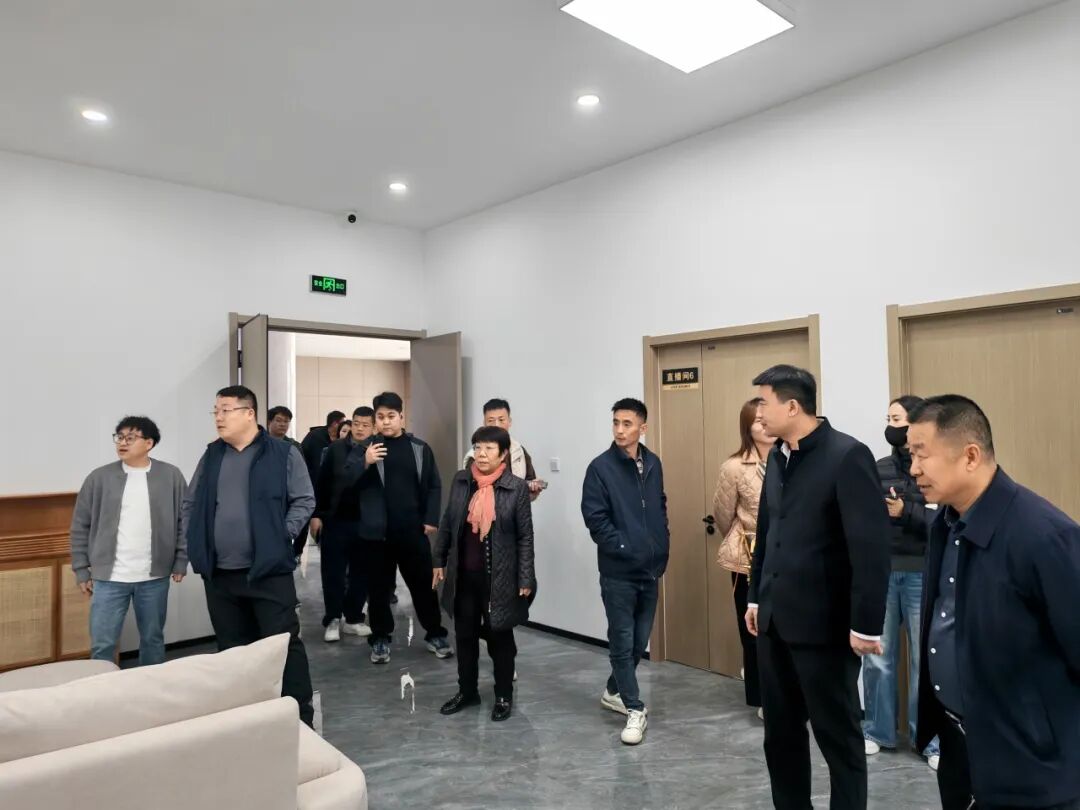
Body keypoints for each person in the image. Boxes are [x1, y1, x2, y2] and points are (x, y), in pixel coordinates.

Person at [908, 395, 1080, 810]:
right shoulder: (944, 524)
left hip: (1033, 764)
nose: (913, 468)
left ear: (970, 456)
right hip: (962, 746)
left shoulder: (1043, 536)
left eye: (921, 454)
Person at [745, 365, 890, 810]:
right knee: (780, 736)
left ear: (792, 406)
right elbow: (767, 533)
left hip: (826, 631)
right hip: (774, 624)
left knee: (838, 739)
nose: (757, 413)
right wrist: (755, 596)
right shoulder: (777, 457)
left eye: (764, 402)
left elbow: (870, 548)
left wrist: (865, 625)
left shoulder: (847, 456)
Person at [182, 385, 317, 727]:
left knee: (282, 646)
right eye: (215, 411)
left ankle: (299, 718)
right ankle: (247, 720)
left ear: (249, 413)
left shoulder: (283, 453)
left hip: (268, 571)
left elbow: (304, 499)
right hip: (221, 574)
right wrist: (194, 542)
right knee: (233, 651)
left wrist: (281, 535)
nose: (218, 417)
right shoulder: (212, 455)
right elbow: (191, 503)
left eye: (225, 410)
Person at [581, 397, 669, 746]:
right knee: (622, 638)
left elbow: (659, 505)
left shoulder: (653, 463)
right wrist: (624, 547)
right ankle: (634, 708)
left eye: (627, 424)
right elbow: (595, 518)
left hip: (650, 568)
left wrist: (661, 543)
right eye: (616, 423)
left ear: (642, 428)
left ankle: (613, 690)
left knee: (639, 640)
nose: (619, 430)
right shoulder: (600, 468)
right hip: (618, 570)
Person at [433, 426, 536, 721]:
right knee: (464, 636)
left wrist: (525, 577)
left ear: (503, 454)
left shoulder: (516, 488)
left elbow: (525, 537)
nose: (482, 454)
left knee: (499, 638)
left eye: (489, 448)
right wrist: (438, 558)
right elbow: (448, 522)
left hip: (499, 579)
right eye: (478, 447)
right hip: (464, 576)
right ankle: (467, 691)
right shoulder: (461, 480)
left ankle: (503, 695)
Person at [70, 416, 187, 666]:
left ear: (149, 443)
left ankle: (150, 687)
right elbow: (80, 526)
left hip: (154, 577)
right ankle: (102, 686)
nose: (122, 443)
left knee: (153, 639)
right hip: (109, 578)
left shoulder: (171, 476)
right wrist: (81, 569)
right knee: (102, 643)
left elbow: (184, 522)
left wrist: (180, 560)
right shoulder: (98, 478)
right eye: (119, 437)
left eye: (130, 438)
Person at [861, 395, 940, 769]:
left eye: (896, 418)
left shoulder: (936, 467)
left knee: (925, 659)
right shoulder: (878, 468)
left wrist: (905, 511)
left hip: (923, 572)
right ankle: (877, 731)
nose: (890, 426)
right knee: (879, 655)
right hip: (884, 570)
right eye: (888, 418)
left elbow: (942, 521)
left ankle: (929, 740)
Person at [352, 391, 452, 664]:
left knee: (424, 586)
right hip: (377, 535)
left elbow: (434, 485)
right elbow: (346, 482)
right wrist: (365, 462)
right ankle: (380, 638)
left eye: (391, 416)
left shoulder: (419, 448)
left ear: (401, 417)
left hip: (412, 531)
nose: (386, 422)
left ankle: (435, 633)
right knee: (378, 591)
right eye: (380, 417)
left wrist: (431, 518)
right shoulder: (365, 448)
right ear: (375, 419)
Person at [712, 397, 769, 717]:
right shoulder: (734, 467)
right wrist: (741, 537)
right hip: (747, 556)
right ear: (747, 427)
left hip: (785, 556)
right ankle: (762, 698)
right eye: (758, 420)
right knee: (753, 629)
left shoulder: (791, 458)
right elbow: (723, 515)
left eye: (767, 417)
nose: (765, 424)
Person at [313, 406, 375, 642]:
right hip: (336, 519)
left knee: (361, 572)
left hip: (366, 521)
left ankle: (353, 618)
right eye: (356, 423)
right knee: (333, 573)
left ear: (373, 427)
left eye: (365, 425)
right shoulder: (335, 449)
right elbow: (322, 483)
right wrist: (317, 514)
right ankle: (332, 618)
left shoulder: (377, 449)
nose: (359, 428)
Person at [463, 399, 545, 501]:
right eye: (491, 420)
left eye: (501, 420)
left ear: (509, 421)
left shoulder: (519, 451)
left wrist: (533, 491)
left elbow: (528, 485)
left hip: (516, 510)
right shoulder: (475, 456)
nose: (497, 425)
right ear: (484, 423)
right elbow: (469, 493)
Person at [297, 410, 345, 557]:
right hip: (311, 486)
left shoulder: (342, 443)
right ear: (335, 423)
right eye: (342, 424)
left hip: (332, 491)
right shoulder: (314, 436)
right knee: (306, 521)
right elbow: (301, 457)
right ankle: (297, 552)